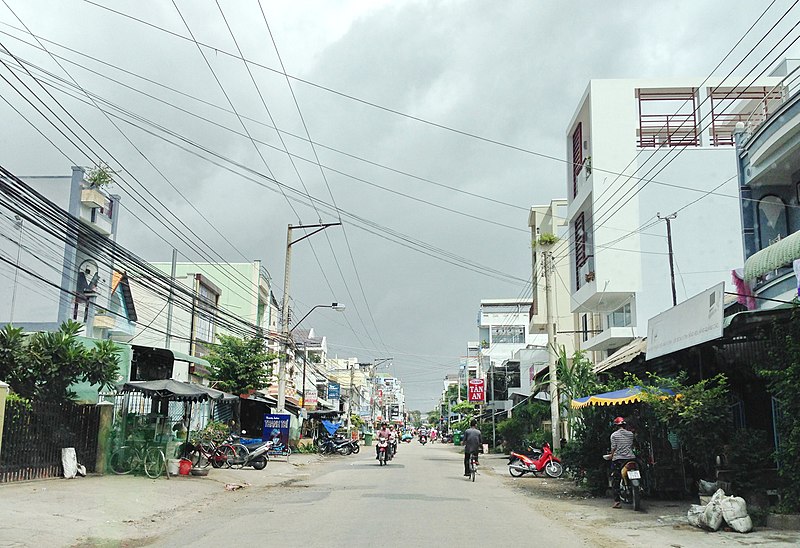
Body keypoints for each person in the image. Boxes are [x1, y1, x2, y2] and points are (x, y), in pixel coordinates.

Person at [609, 416, 636, 508]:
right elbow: (631, 446)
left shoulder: (614, 435)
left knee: (615, 479)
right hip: (631, 458)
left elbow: (613, 448)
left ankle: (617, 502)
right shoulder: (631, 434)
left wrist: (611, 456)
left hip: (618, 459)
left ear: (616, 426)